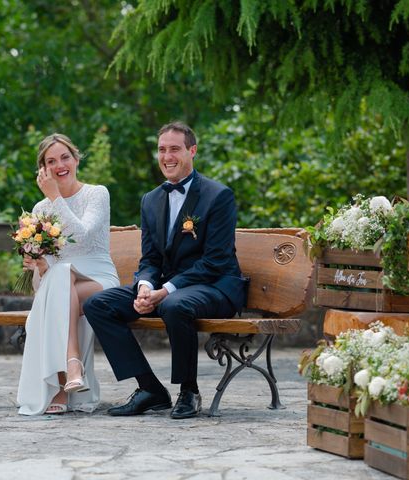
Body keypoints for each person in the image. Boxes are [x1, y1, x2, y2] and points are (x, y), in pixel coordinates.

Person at [83, 121, 246, 419]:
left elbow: (216, 261)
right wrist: (145, 286)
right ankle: (150, 389)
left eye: (175, 149)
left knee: (174, 304)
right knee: (98, 304)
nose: (167, 157)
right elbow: (151, 258)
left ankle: (189, 391)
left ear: (192, 151)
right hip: (168, 290)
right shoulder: (151, 199)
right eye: (161, 150)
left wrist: (165, 290)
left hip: (216, 285)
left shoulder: (218, 196)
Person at [17, 133, 119, 415]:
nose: (59, 165)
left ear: (76, 159)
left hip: (99, 280)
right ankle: (72, 367)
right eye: (51, 161)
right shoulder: (39, 210)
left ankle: (63, 383)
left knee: (61, 282)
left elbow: (82, 236)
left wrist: (55, 197)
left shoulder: (96, 194)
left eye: (65, 157)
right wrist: (38, 265)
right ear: (43, 170)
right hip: (64, 284)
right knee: (60, 279)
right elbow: (44, 282)